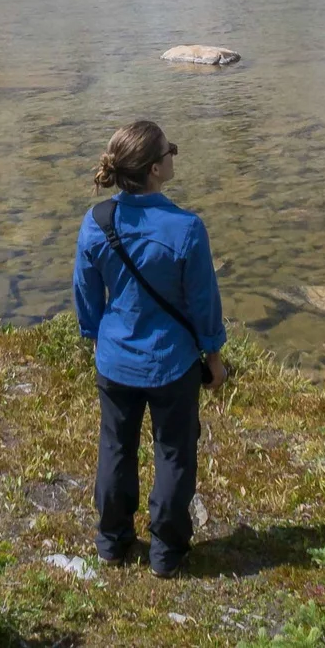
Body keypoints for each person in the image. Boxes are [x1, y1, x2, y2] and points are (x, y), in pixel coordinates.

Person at [72, 119, 227, 576]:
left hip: (115, 361)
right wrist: (214, 358)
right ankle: (166, 553)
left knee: (116, 448)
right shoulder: (186, 228)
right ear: (155, 169)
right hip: (172, 364)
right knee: (174, 453)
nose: (174, 155)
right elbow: (204, 303)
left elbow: (85, 294)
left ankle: (112, 542)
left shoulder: (96, 222)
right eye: (169, 150)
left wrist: (97, 337)